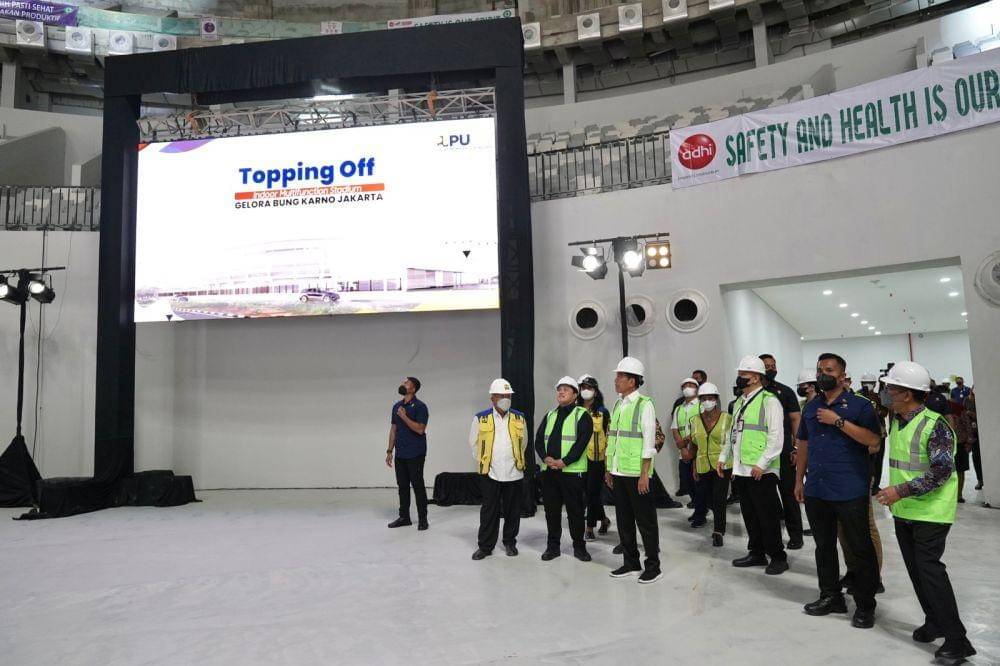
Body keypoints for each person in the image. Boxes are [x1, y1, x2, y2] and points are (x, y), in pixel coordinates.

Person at [875, 362, 976, 663]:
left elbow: (941, 472)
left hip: (931, 512)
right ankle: (934, 621)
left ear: (907, 394)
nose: (886, 393)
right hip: (906, 510)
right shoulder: (897, 420)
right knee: (917, 571)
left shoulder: (936, 426)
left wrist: (898, 491)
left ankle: (958, 641)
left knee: (931, 573)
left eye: (891, 388)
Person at [794, 353, 882, 629]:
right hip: (817, 488)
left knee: (859, 547)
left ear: (843, 375)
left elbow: (873, 441)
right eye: (820, 369)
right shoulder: (811, 407)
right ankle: (831, 595)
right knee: (823, 546)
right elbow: (804, 446)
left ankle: (866, 605)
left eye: (829, 370)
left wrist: (838, 421)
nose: (823, 374)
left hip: (849, 487)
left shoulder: (860, 406)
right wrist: (799, 481)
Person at [718, 355, 788, 575]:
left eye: (744, 375)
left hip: (761, 471)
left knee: (767, 516)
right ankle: (756, 552)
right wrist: (723, 458)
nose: (739, 378)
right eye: (739, 374)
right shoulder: (739, 402)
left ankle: (778, 556)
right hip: (741, 469)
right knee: (750, 514)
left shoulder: (769, 401)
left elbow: (776, 437)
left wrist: (762, 463)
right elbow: (732, 434)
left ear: (756, 378)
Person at [605, 357, 662, 584]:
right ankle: (630, 562)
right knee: (624, 520)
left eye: (620, 376)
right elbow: (614, 440)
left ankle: (653, 566)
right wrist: (610, 469)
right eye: (617, 376)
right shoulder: (619, 404)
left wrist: (644, 475)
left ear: (632, 380)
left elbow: (649, 443)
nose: (616, 380)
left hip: (637, 476)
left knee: (646, 522)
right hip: (619, 473)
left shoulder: (644, 405)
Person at [534, 376, 593, 562]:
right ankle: (553, 547)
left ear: (575, 395)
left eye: (566, 389)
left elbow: (581, 444)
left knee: (575, 512)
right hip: (550, 472)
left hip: (571, 473)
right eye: (559, 389)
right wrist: (546, 458)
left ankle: (579, 547)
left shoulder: (582, 415)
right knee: (551, 512)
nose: (561, 392)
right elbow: (538, 440)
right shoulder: (550, 415)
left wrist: (564, 461)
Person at [470, 379, 527, 560]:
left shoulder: (519, 417)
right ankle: (485, 546)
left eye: (508, 396)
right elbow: (474, 443)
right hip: (490, 473)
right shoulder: (481, 418)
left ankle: (510, 542)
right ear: (492, 398)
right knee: (489, 511)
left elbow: (523, 443)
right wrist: (485, 462)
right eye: (501, 396)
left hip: (514, 471)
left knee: (513, 510)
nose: (506, 399)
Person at [759, 354, 804, 550]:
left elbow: (795, 420)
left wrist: (797, 448)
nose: (771, 368)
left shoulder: (784, 392)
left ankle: (796, 535)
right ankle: (771, 536)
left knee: (789, 494)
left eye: (773, 365)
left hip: (784, 451)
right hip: (761, 455)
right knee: (766, 498)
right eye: (766, 366)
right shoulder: (754, 394)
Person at [690, 382, 732, 545]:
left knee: (719, 498)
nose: (707, 401)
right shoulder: (695, 420)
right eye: (704, 398)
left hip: (723, 465)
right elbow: (694, 444)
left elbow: (731, 443)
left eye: (710, 398)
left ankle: (718, 530)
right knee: (707, 498)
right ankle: (716, 520)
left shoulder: (727, 418)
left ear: (716, 399)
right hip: (702, 465)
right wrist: (694, 465)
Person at [386, 377, 430, 530]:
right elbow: (393, 429)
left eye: (406, 383)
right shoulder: (396, 406)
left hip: (416, 452)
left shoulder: (420, 407)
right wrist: (390, 450)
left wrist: (404, 416)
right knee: (402, 486)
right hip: (401, 453)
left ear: (413, 389)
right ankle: (404, 517)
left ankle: (423, 519)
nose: (403, 384)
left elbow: (420, 429)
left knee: (417, 485)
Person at [578, 375, 612, 541]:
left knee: (592, 493)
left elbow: (609, 436)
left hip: (597, 459)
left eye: (589, 388)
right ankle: (604, 520)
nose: (585, 391)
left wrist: (608, 463)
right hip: (578, 459)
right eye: (583, 388)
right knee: (589, 493)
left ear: (596, 392)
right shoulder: (575, 411)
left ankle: (589, 527)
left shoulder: (602, 413)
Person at [672, 377, 701, 506]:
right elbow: (675, 428)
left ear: (696, 388)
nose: (687, 387)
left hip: (698, 450)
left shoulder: (701, 405)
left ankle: (701, 508)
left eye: (691, 385)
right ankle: (695, 503)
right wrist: (682, 447)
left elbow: (702, 427)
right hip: (683, 451)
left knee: (698, 481)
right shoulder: (678, 408)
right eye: (685, 385)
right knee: (687, 480)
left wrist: (688, 443)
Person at [859, 373, 888, 495]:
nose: (868, 385)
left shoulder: (879, 396)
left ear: (875, 384)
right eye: (865, 383)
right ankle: (865, 484)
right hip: (862, 433)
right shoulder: (858, 396)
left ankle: (875, 485)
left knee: (878, 460)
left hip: (879, 432)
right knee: (864, 460)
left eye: (870, 383)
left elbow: (885, 411)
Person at [962, 391, 983, 490]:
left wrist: (972, 414)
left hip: (984, 432)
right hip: (973, 432)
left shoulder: (983, 399)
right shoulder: (966, 400)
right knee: (976, 457)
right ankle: (980, 480)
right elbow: (963, 414)